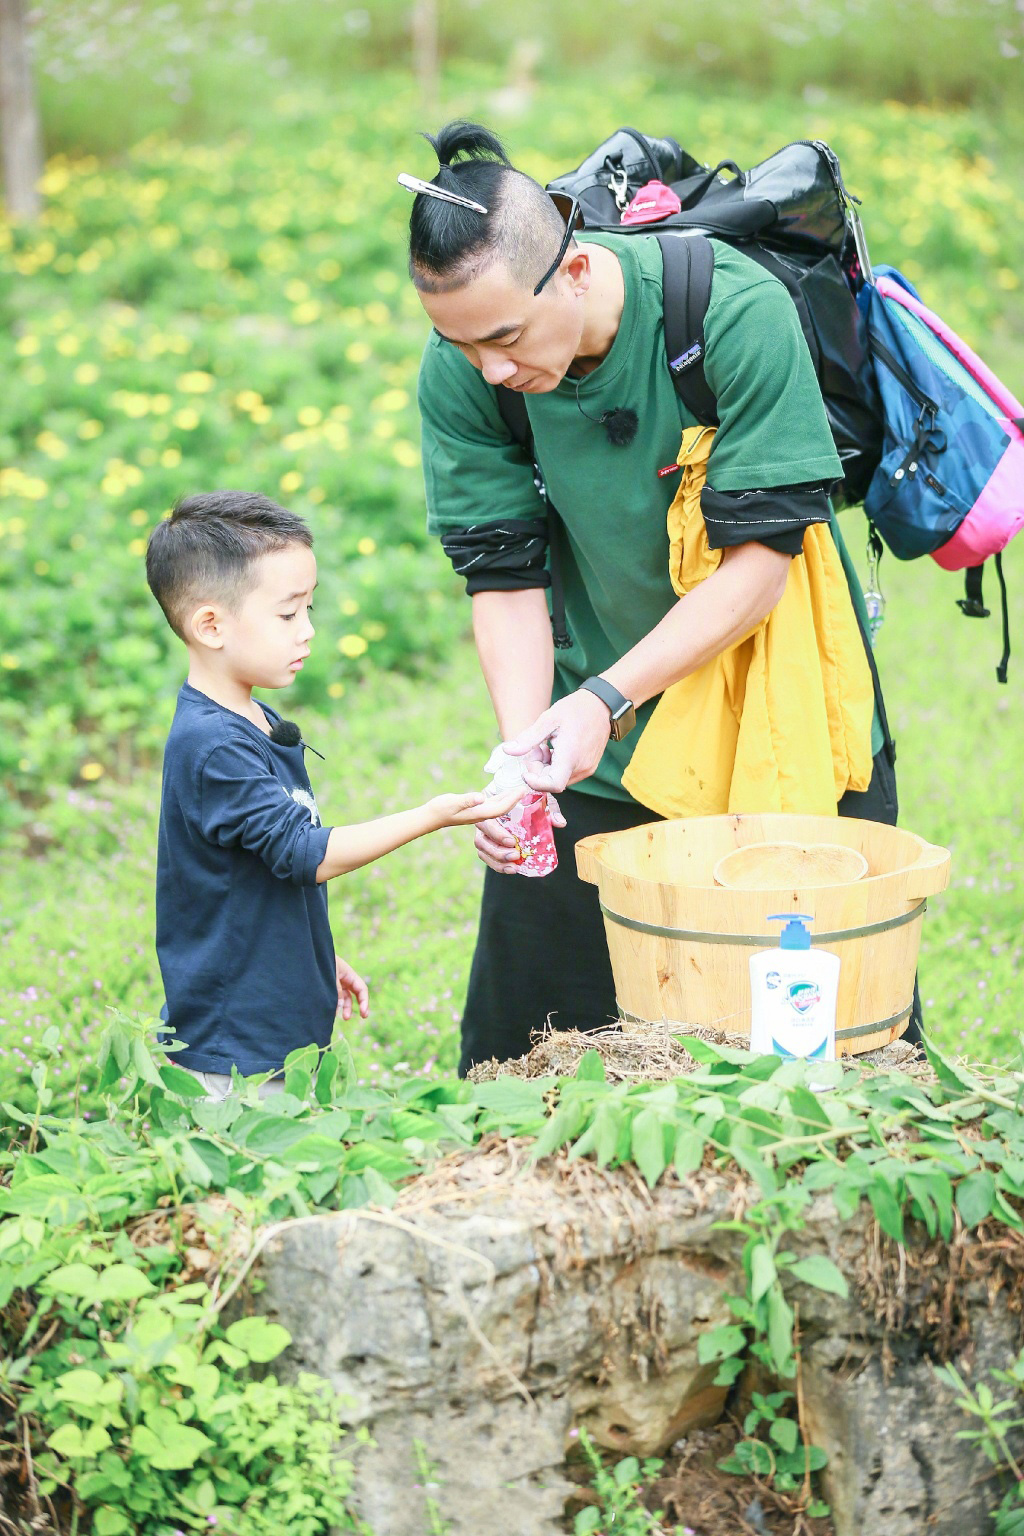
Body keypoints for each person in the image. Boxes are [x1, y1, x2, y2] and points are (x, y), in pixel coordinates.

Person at [404, 120, 918, 1076]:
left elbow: (761, 564)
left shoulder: (728, 308)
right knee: (530, 1058)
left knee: (830, 1047)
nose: (492, 370)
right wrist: (530, 761)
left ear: (578, 270)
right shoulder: (468, 368)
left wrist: (605, 697)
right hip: (601, 750)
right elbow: (503, 575)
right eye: (461, 343)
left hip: (781, 705)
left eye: (507, 337)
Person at [144, 490, 520, 1098]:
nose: (309, 631)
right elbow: (304, 854)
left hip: (272, 1013)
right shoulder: (215, 749)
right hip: (236, 1049)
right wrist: (431, 816)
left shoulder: (252, 718)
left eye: (309, 608)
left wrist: (314, 962)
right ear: (209, 625)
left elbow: (259, 876)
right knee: (253, 1174)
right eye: (288, 615)